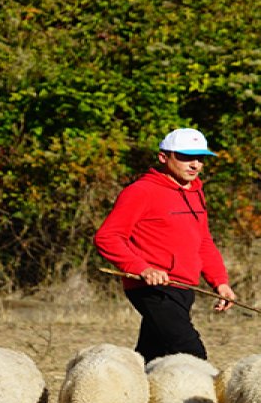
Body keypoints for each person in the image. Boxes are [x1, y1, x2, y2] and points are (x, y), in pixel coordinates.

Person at [94, 128, 237, 362]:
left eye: (200, 159)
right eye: (186, 157)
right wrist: (143, 269)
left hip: (184, 287)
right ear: (164, 157)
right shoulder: (140, 192)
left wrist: (220, 281)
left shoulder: (195, 193)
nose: (195, 165)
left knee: (152, 356)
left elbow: (203, 242)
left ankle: (133, 394)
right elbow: (107, 237)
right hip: (153, 289)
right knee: (191, 354)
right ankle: (197, 399)